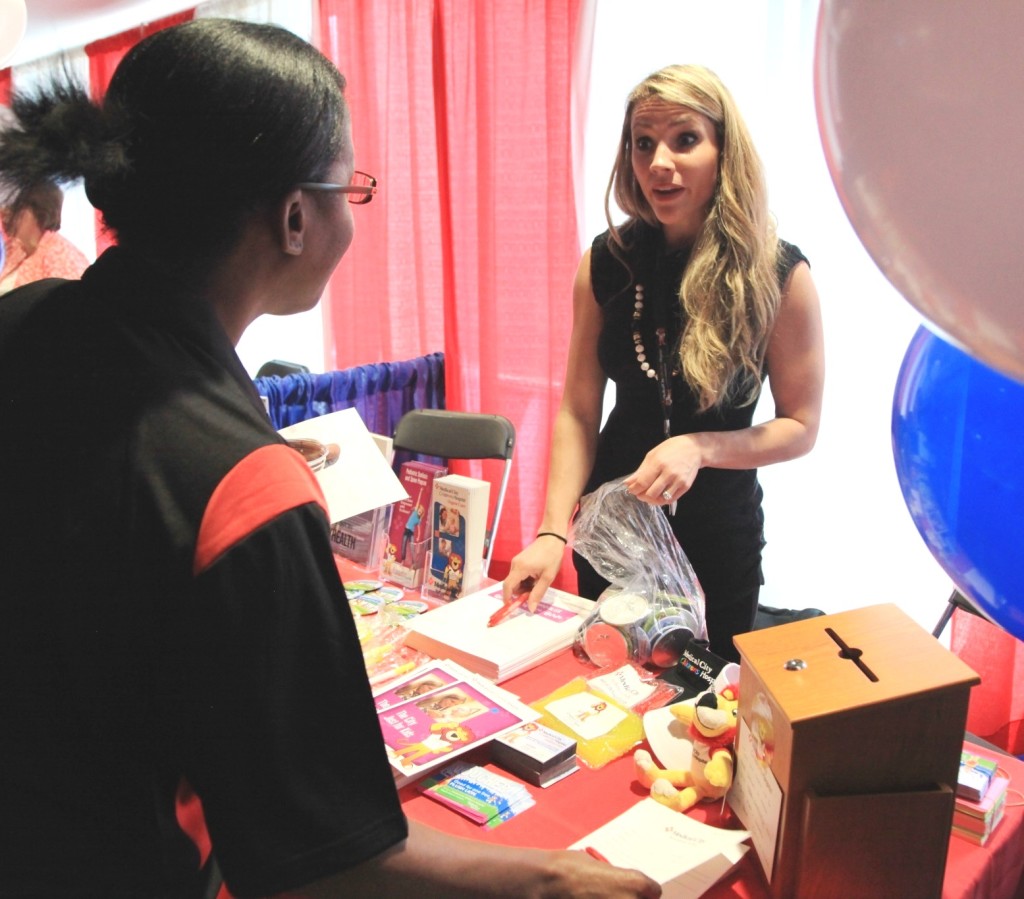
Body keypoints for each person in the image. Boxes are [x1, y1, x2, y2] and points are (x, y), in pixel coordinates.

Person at [0, 19, 659, 899]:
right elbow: (331, 860)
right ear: (295, 216)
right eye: (350, 187)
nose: (354, 211)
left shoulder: (27, 318)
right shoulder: (242, 481)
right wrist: (551, 878)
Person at [503, 64, 824, 663]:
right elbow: (578, 409)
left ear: (724, 152)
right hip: (613, 531)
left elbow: (801, 426)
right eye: (643, 142)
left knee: (704, 714)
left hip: (718, 541)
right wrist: (552, 529)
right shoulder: (608, 262)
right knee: (613, 697)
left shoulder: (779, 275)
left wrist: (702, 448)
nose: (658, 163)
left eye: (685, 139)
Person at [0, 179, 89, 293]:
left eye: (15, 209)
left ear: (35, 212)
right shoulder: (13, 248)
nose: (7, 217)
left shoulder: (61, 257)